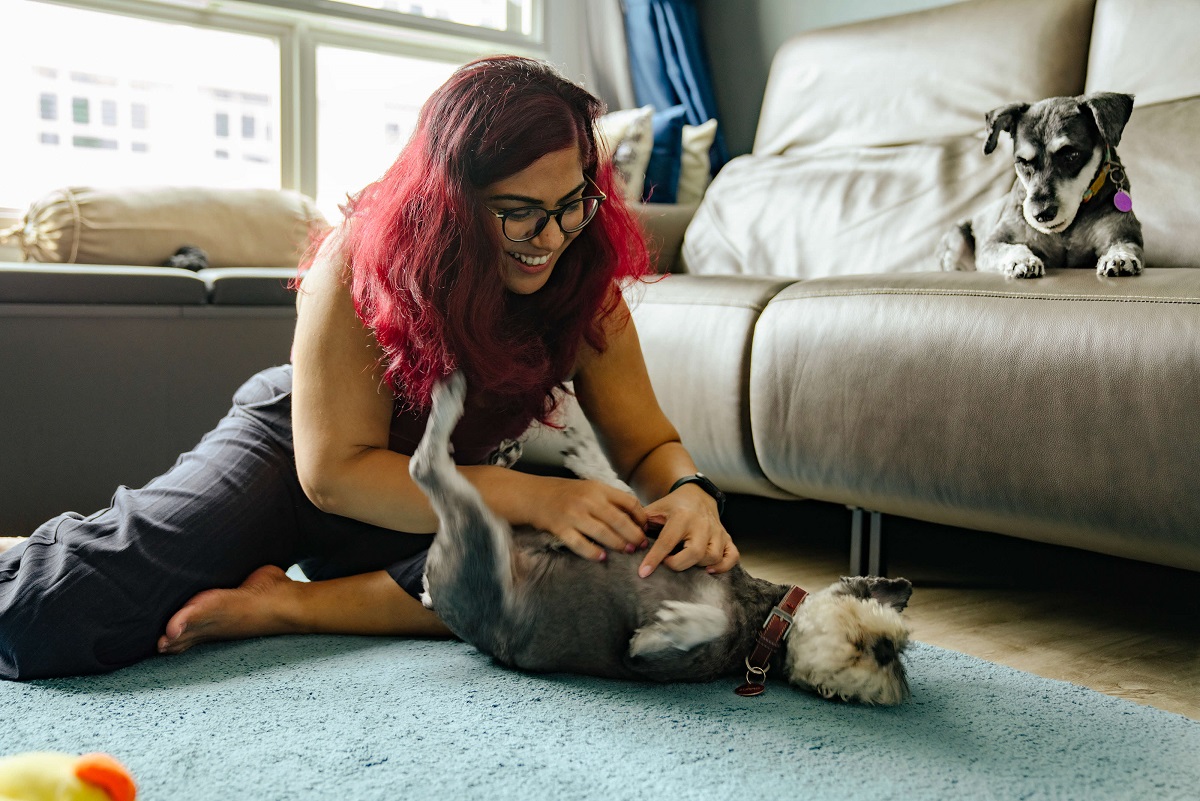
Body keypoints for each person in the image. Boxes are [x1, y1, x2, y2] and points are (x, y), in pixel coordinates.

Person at [0, 56, 738, 681]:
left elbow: (647, 446)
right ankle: (48, 550)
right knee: (47, 618)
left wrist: (688, 492)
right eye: (521, 212)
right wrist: (533, 496)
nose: (552, 237)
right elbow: (334, 473)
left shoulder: (583, 280)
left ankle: (283, 604)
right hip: (295, 462)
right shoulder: (360, 258)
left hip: (436, 500)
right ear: (452, 202)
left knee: (574, 574)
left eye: (572, 202)